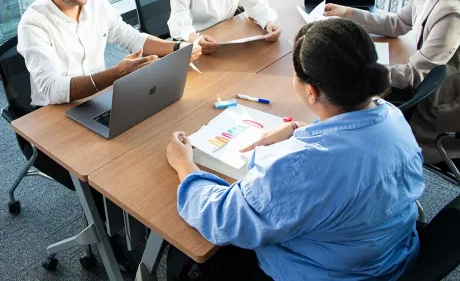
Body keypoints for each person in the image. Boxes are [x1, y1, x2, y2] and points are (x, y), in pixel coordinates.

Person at [166, 19, 425, 281]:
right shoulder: (391, 115)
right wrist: (298, 129)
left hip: (338, 273)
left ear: (311, 91)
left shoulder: (302, 166)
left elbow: (222, 218)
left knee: (194, 257)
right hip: (394, 255)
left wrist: (184, 165)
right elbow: (351, 145)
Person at [16, 0, 201, 271]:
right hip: (52, 124)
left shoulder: (96, 4)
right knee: (120, 173)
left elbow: (132, 38)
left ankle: (143, 225)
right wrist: (114, 74)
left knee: (154, 141)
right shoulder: (33, 24)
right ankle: (116, 241)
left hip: (100, 102)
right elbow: (52, 88)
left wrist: (178, 47)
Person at [324, 0, 460, 168]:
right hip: (421, 83)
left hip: (433, 100)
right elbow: (398, 23)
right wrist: (350, 13)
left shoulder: (450, 12)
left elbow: (415, 74)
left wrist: (362, 71)